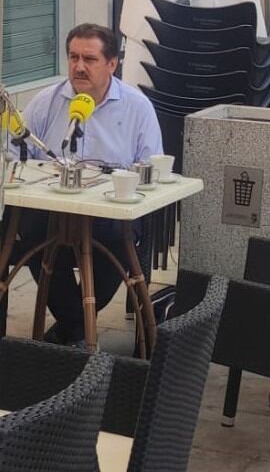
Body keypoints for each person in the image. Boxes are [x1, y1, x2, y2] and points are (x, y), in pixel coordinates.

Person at [13, 23, 164, 345]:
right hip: (53, 207)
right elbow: (14, 151)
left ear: (112, 64)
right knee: (30, 235)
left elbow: (152, 167)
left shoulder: (137, 107)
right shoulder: (47, 101)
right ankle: (78, 327)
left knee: (115, 241)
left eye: (89, 59)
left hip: (110, 211)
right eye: (73, 57)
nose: (79, 67)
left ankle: (70, 329)